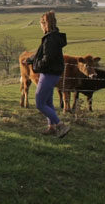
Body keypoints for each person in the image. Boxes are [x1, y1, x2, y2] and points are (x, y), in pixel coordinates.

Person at [24, 10, 71, 138]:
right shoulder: (53, 37)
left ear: (45, 24)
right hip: (52, 73)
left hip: (49, 74)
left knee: (40, 103)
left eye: (41, 23)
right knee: (48, 102)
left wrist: (37, 66)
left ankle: (61, 125)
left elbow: (47, 58)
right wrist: (31, 59)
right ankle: (52, 127)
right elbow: (42, 54)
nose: (40, 26)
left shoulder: (50, 39)